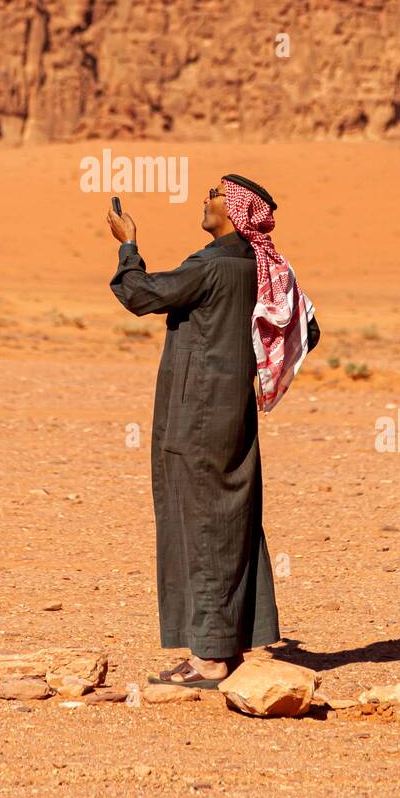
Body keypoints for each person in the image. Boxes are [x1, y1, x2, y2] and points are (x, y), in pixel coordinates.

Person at [108, 173, 319, 687]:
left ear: (236, 210)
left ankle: (209, 658)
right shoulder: (264, 269)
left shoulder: (213, 265)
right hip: (235, 411)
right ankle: (235, 643)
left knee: (201, 523)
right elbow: (307, 328)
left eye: (215, 194)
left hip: (198, 413)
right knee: (234, 520)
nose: (205, 200)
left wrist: (128, 245)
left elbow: (140, 295)